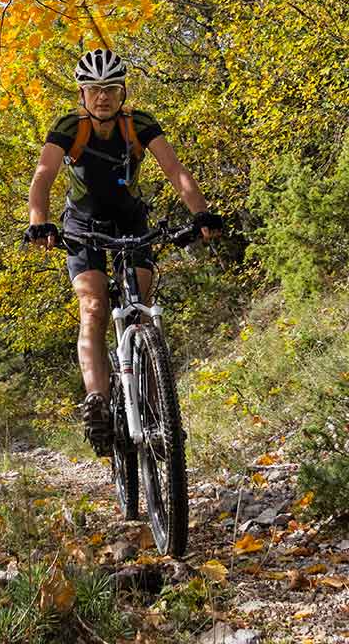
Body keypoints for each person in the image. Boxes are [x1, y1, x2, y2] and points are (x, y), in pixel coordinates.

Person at [25, 48, 223, 455]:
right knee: (95, 306)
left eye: (111, 89)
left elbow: (175, 170)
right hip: (83, 228)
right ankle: (97, 401)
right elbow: (44, 175)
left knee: (141, 306)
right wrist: (38, 221)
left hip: (131, 222)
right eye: (95, 89)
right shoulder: (69, 127)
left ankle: (155, 407)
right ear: (82, 94)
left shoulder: (140, 124)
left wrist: (201, 213)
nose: (103, 97)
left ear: (123, 92)